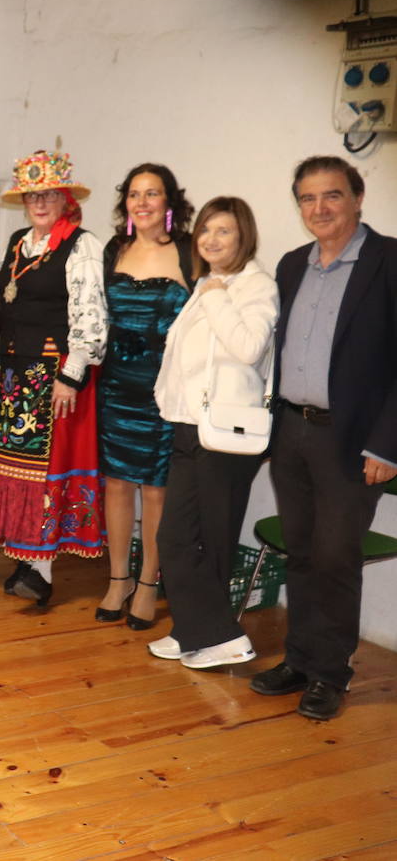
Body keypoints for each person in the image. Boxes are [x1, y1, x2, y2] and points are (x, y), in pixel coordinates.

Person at [250, 156, 397, 720]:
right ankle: (300, 660)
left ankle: (331, 675)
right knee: (302, 552)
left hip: (353, 441)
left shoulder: (388, 262)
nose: (320, 208)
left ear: (358, 198)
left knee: (336, 558)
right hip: (293, 431)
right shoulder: (292, 266)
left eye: (332, 195)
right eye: (308, 199)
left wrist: (387, 445)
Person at [0, 149, 107, 606]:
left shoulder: (82, 244)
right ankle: (26, 559)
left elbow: (90, 314)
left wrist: (71, 374)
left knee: (46, 472)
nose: (40, 203)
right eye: (33, 196)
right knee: (17, 471)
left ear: (65, 199)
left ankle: (43, 568)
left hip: (53, 375)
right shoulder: (18, 242)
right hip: (13, 373)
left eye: (49, 194)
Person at [150, 197, 277, 672]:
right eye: (205, 231)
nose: (211, 240)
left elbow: (248, 347)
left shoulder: (253, 286)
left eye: (223, 231)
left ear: (244, 235)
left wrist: (219, 295)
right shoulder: (208, 282)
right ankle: (193, 631)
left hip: (226, 432)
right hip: (190, 425)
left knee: (211, 537)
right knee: (177, 535)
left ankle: (221, 636)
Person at [95, 164, 194, 631]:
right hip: (115, 383)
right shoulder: (114, 249)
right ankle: (118, 579)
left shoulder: (190, 252)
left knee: (156, 489)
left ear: (169, 202)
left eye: (152, 193)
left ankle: (149, 584)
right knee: (116, 483)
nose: (143, 202)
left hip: (164, 387)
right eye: (135, 194)